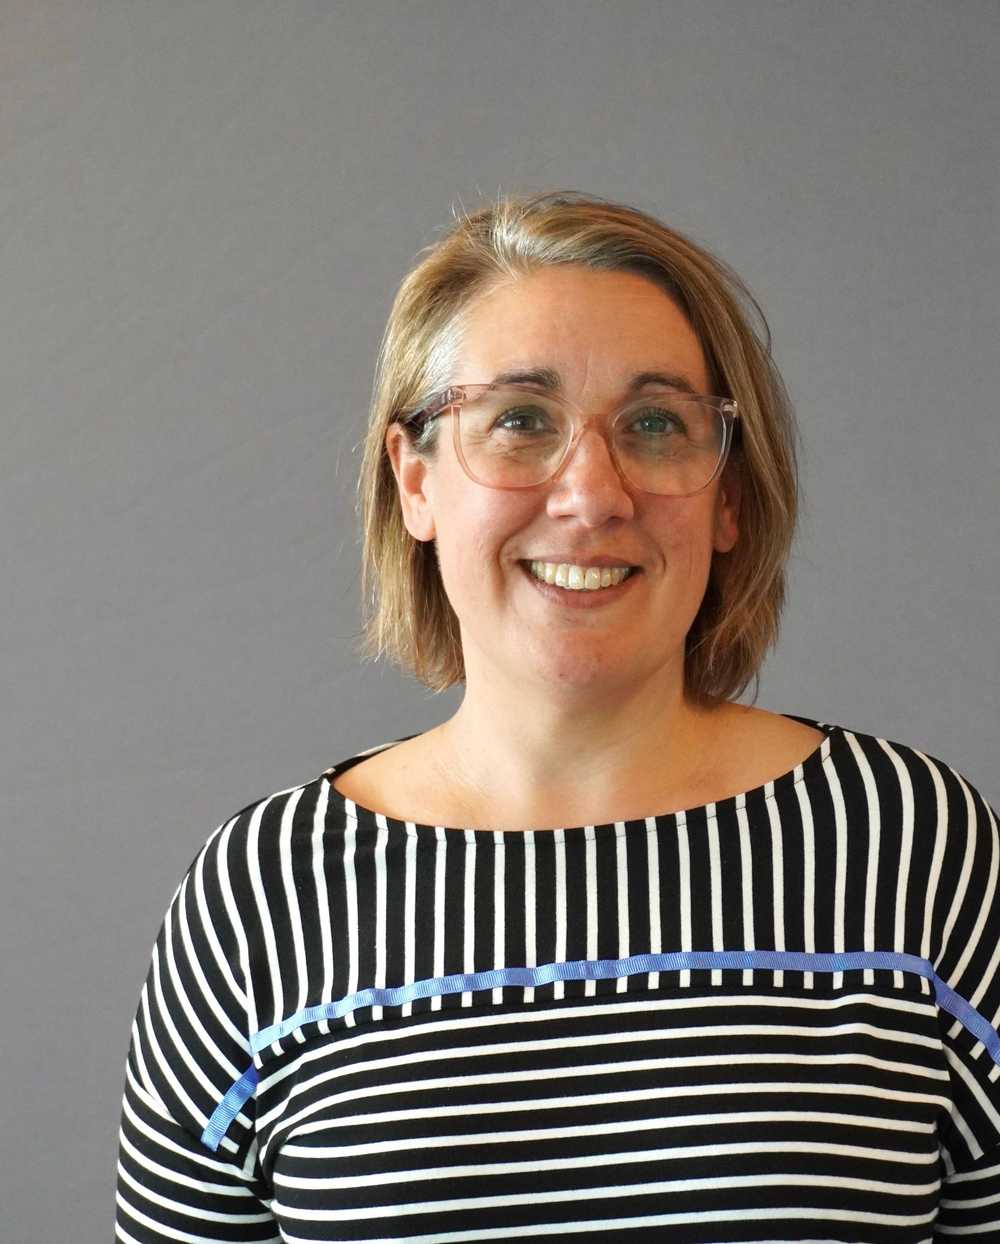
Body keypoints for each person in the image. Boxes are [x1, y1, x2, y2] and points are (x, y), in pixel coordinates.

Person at [115, 190, 1000, 1242]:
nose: (592, 491)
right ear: (415, 481)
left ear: (727, 495)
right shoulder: (259, 901)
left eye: (656, 422)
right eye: (520, 420)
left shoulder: (913, 851)